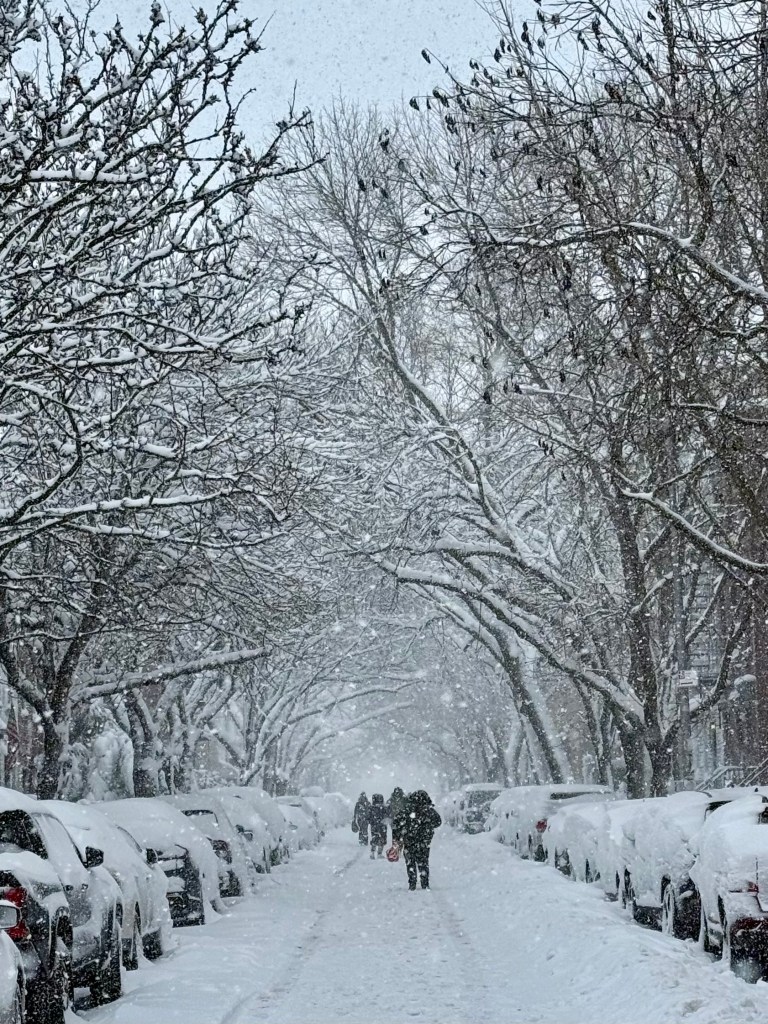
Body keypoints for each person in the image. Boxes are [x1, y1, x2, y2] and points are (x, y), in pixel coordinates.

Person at [393, 789, 442, 890]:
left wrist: (397, 838)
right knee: (423, 861)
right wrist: (428, 824)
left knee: (410, 862)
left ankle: (412, 882)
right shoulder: (428, 811)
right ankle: (424, 882)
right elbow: (438, 822)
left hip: (409, 840)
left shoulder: (407, 810)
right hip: (424, 841)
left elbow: (397, 823)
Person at [369, 793, 388, 858]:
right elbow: (386, 816)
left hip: (374, 826)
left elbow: (369, 817)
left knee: (374, 839)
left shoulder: (371, 808)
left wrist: (372, 822)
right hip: (382, 826)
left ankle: (372, 853)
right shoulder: (384, 808)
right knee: (382, 839)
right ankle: (379, 853)